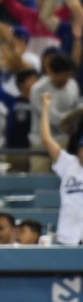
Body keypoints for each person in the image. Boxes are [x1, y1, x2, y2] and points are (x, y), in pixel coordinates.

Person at [40, 92, 83, 245]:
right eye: (82, 148)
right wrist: (45, 107)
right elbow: (46, 139)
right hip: (67, 238)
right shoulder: (68, 163)